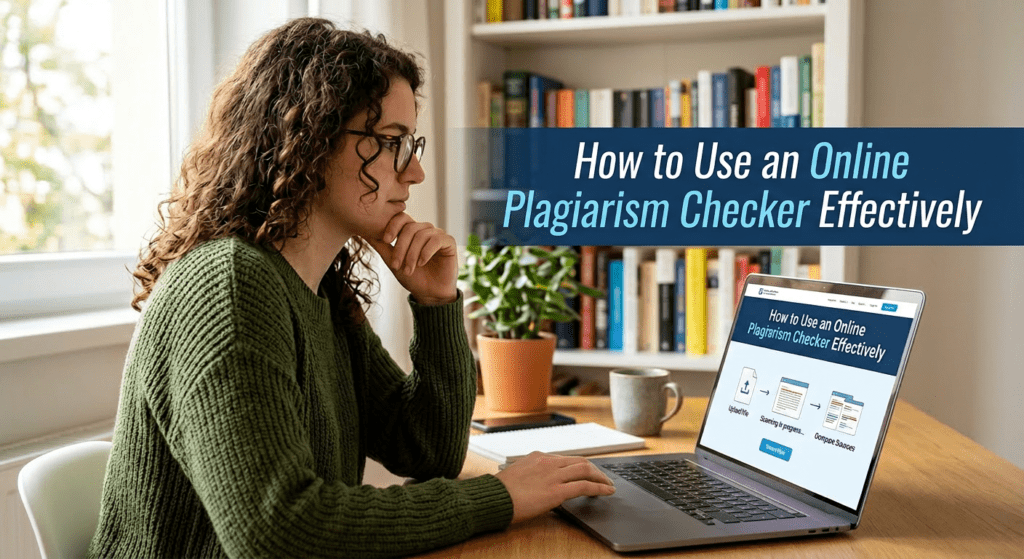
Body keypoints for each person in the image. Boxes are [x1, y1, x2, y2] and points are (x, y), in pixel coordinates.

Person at [88, 17, 615, 559]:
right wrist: (498, 496)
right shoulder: (230, 286)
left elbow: (428, 449)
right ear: (308, 140)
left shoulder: (319, 291)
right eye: (391, 142)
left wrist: (437, 303)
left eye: (411, 143)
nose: (415, 173)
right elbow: (278, 529)